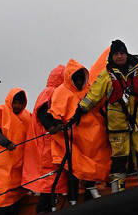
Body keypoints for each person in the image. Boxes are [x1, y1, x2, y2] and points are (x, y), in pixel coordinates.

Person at [72, 40, 138, 192]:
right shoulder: (106, 74)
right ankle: (118, 189)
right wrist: (81, 109)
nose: (119, 56)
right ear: (112, 56)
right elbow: (94, 94)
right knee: (119, 156)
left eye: (122, 53)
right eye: (116, 54)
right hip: (118, 123)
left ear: (126, 54)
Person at [40, 60, 111, 201]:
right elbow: (53, 114)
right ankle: (73, 200)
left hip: (95, 136)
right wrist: (55, 126)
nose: (79, 82)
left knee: (97, 162)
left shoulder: (89, 89)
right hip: (74, 139)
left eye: (81, 78)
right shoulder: (61, 92)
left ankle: (90, 190)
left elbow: (100, 104)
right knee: (74, 167)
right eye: (76, 78)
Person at [26, 66, 69, 213]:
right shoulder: (51, 92)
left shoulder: (49, 92)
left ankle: (48, 209)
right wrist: (53, 127)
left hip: (51, 143)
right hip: (48, 144)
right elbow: (43, 113)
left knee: (52, 179)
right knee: (50, 179)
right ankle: (43, 212)